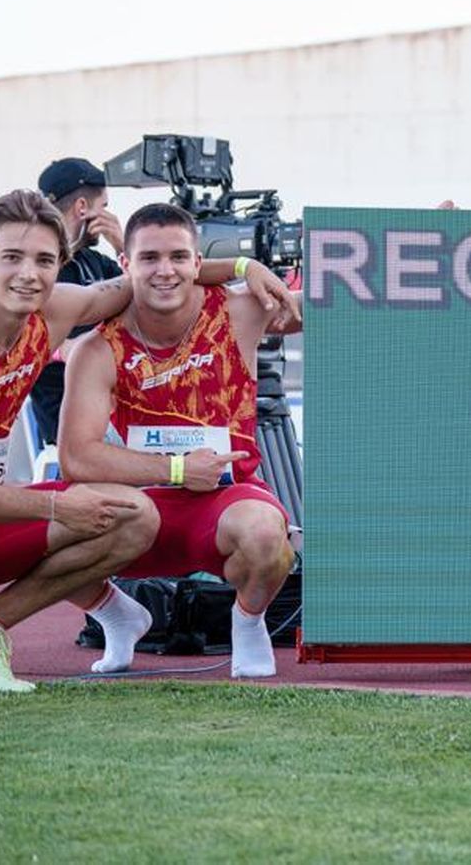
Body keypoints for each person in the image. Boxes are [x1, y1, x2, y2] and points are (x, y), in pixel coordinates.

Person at [0, 190, 301, 698]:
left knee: (131, 514)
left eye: (44, 260)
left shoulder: (55, 311)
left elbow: (157, 277)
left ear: (61, 265)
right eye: (12, 257)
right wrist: (57, 505)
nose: (28, 274)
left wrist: (245, 266)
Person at [59, 202, 298, 678]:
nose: (164, 270)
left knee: (267, 535)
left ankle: (248, 622)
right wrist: (177, 469)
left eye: (177, 257)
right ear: (125, 264)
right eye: (149, 258)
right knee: (39, 528)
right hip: (139, 503)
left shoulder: (238, 312)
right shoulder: (97, 348)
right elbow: (76, 458)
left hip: (224, 499)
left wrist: (416, 245)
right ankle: (116, 614)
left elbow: (336, 301)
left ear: (196, 262)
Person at [27, 157, 126, 445]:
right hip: (70, 419)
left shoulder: (95, 261)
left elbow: (146, 299)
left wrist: (123, 245)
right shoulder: (34, 267)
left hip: (116, 409)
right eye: (103, 206)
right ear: (83, 207)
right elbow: (13, 338)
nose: (108, 215)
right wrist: (64, 349)